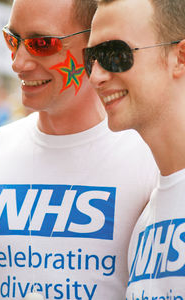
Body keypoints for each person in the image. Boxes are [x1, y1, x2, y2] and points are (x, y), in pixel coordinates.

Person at [0, 0, 158, 299]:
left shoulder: (151, 161)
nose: (18, 62)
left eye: (42, 43)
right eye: (13, 40)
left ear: (95, 47)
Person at [83, 0, 185, 299]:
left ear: (180, 57)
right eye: (91, 58)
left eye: (115, 55)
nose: (96, 76)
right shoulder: (144, 222)